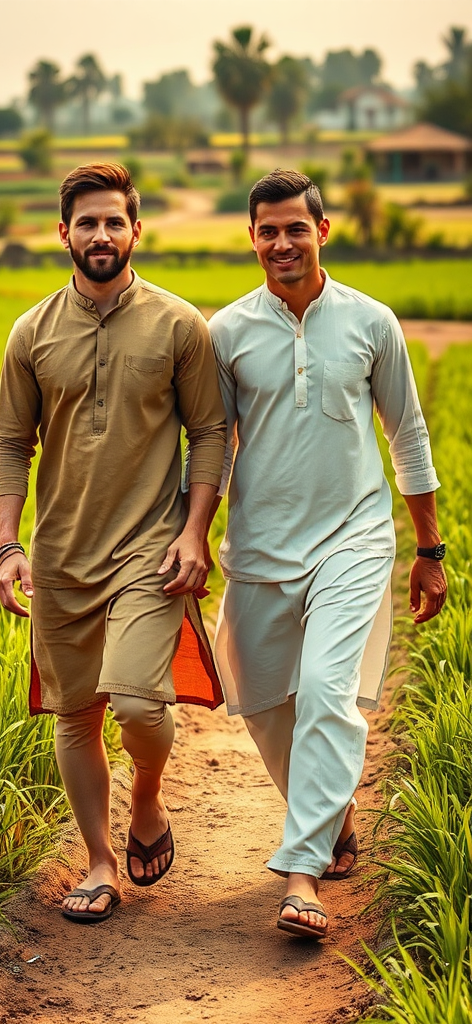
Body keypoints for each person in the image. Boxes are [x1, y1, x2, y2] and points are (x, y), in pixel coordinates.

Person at [209, 168, 447, 939]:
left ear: (323, 232)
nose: (282, 243)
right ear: (251, 238)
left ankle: (302, 870)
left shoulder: (372, 322)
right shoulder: (227, 333)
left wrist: (429, 546)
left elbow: (406, 432)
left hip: (354, 536)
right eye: (268, 231)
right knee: (260, 698)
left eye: (296, 228)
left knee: (325, 689)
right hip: (258, 545)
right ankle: (332, 816)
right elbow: (210, 448)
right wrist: (188, 536)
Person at [0, 162, 226, 924]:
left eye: (113, 222)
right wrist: (7, 544)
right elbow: (9, 443)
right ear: (64, 233)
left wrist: (195, 532)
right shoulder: (31, 332)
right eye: (86, 223)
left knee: (135, 701)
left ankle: (149, 801)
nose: (101, 235)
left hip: (148, 551)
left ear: (135, 231)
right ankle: (98, 862)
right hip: (60, 553)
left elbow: (211, 432)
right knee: (74, 714)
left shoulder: (178, 325)